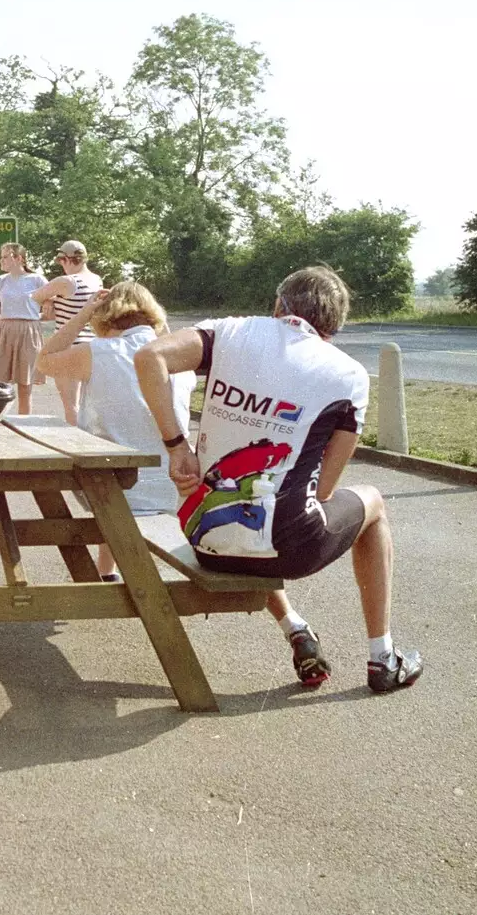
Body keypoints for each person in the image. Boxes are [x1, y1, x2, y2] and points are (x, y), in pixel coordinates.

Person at [133, 265, 423, 694]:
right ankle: (382, 657)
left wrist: (177, 446)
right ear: (334, 326)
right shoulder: (349, 375)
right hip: (288, 548)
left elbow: (149, 356)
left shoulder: (228, 332)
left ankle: (296, 626)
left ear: (278, 304)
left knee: (252, 504)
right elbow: (324, 490)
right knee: (371, 503)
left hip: (204, 541)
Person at [37, 281, 194, 581]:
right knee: (122, 449)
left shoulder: (97, 352)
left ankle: (108, 573)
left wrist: (83, 313)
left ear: (105, 319)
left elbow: (44, 361)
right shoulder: (180, 361)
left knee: (107, 456)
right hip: (172, 487)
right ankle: (106, 571)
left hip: (109, 489)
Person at [32, 239, 103, 425]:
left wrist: (48, 300)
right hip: (92, 346)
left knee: (71, 405)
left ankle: (78, 445)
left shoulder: (66, 281)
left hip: (68, 346)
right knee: (90, 404)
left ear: (67, 259)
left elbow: (35, 296)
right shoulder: (96, 280)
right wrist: (53, 300)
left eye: (60, 260)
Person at [0, 242, 46, 414]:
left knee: (25, 386)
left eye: (5, 257)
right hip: (5, 332)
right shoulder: (0, 281)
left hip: (29, 332)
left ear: (19, 258)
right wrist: (6, 320)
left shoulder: (37, 280)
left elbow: (51, 309)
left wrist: (32, 318)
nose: (1, 261)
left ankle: (24, 425)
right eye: (0, 257)